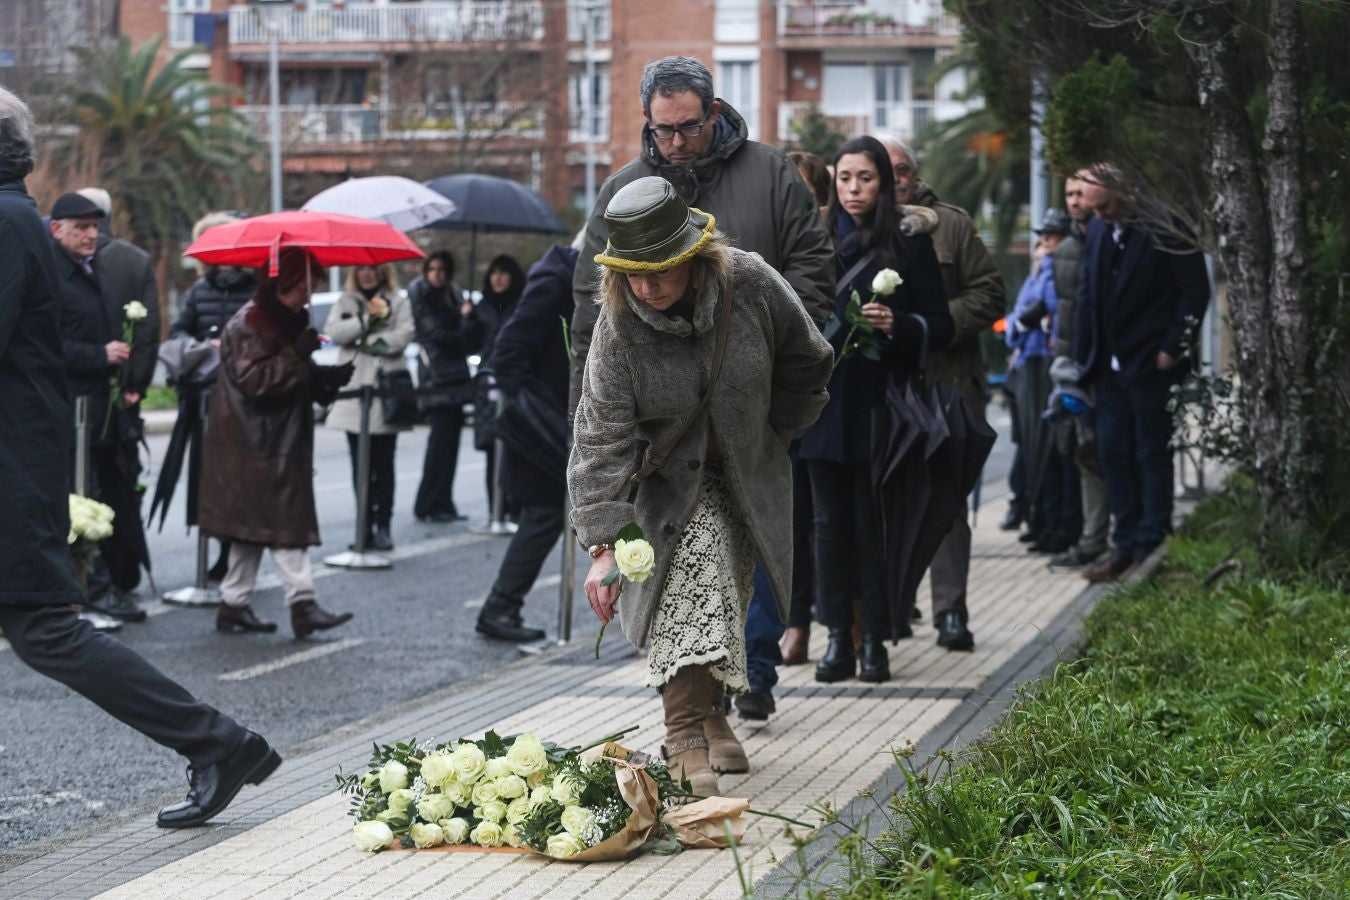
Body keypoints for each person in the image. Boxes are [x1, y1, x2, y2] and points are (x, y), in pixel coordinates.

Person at [0, 85, 280, 829]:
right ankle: (218, 743)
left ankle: (218, 742)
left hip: (12, 472)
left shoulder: (4, 221)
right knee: (45, 632)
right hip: (19, 461)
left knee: (48, 631)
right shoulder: (17, 219)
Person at [573, 55, 834, 722]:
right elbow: (592, 310)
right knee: (681, 568)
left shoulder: (768, 174)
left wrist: (768, 375)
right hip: (662, 434)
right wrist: (590, 401)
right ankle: (696, 719)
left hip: (751, 413)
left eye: (687, 126)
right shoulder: (625, 191)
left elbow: (810, 269)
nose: (676, 141)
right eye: (662, 130)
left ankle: (745, 683)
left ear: (712, 114)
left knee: (744, 557)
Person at [799, 136, 953, 684]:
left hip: (878, 406)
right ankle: (837, 636)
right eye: (844, 178)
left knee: (872, 526)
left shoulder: (908, 245)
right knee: (826, 528)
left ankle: (876, 644)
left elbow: (942, 323)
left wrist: (900, 326)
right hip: (820, 406)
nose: (853, 189)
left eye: (865, 178)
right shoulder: (813, 241)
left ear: (884, 183)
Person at [878, 135, 1006, 652]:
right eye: (881, 171)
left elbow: (991, 294)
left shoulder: (950, 223)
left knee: (947, 502)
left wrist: (929, 326)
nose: (894, 180)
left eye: (901, 169)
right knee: (883, 498)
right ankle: (892, 606)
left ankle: (951, 612)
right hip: (885, 389)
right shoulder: (856, 226)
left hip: (947, 382)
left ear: (916, 172)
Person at [201, 248, 356, 637]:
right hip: (258, 444)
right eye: (307, 284)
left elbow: (287, 372)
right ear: (287, 283)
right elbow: (257, 381)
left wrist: (324, 378)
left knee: (252, 528)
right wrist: (299, 354)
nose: (311, 292)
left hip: (266, 442)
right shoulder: (251, 322)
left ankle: (233, 604)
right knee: (286, 524)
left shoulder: (285, 319)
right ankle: (302, 603)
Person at [1073, 167, 1210, 582]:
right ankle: (1125, 542)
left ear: (1124, 192)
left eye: (1105, 206)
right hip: (1109, 366)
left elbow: (1194, 292)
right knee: (1113, 451)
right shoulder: (1098, 230)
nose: (1099, 215)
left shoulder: (1164, 223)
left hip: (1152, 362)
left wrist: (1171, 349)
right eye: (1093, 209)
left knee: (1151, 451)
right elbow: (1087, 294)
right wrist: (1083, 357)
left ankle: (1152, 542)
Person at [49, 190, 158, 623]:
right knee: (80, 497)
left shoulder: (94, 269)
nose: (90, 235)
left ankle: (102, 585)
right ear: (57, 230)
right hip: (69, 407)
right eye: (81, 228)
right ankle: (88, 591)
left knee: (99, 496)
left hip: (100, 409)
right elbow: (44, 345)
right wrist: (100, 355)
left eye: (94, 227)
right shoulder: (52, 276)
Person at [476, 242, 580, 643]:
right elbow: (508, 352)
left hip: (554, 423)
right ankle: (500, 606)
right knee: (544, 516)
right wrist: (541, 408)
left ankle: (501, 605)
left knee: (545, 517)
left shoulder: (568, 277)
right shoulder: (556, 281)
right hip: (544, 428)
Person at [171, 210, 257, 581]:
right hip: (204, 400)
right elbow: (178, 333)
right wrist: (201, 346)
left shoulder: (256, 290)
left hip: (243, 400)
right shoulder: (199, 291)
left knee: (238, 481)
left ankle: (233, 555)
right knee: (207, 480)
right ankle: (216, 547)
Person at [1005, 209, 1081, 555]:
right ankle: (1042, 519)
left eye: (1053, 236)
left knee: (1056, 447)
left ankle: (1060, 523)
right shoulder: (1039, 269)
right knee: (1034, 448)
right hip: (1030, 364)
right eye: (1043, 237)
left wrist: (1025, 324)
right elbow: (1019, 318)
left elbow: (1051, 309)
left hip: (1050, 363)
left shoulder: (1055, 267)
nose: (1046, 243)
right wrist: (1021, 327)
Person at [324, 264, 415, 552]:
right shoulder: (345, 301)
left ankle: (383, 526)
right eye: (361, 270)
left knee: (384, 465)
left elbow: (402, 337)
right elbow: (335, 333)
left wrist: (365, 343)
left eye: (373, 269)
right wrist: (367, 320)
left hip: (385, 392)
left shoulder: (399, 301)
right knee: (359, 466)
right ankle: (363, 526)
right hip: (354, 395)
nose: (367, 274)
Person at [1046, 173, 1110, 573]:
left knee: (1113, 453)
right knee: (1083, 452)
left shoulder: (1108, 242)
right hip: (1072, 367)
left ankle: (1119, 538)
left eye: (1081, 193)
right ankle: (1091, 538)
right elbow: (1065, 314)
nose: (1074, 200)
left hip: (1107, 366)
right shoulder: (1066, 249)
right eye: (1069, 193)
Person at [411, 251, 477, 523]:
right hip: (436, 378)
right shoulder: (422, 294)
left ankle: (444, 502)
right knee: (439, 443)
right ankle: (427, 503)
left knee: (450, 444)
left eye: (441, 269)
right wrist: (461, 320)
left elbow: (467, 340)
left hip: (456, 378)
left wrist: (467, 317)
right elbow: (438, 336)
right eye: (432, 269)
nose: (436, 274)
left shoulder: (456, 295)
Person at [472, 254, 526, 518]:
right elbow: (468, 342)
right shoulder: (481, 307)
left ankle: (514, 507)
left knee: (513, 445)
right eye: (493, 272)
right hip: (487, 385)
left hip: (512, 384)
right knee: (491, 447)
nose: (497, 278)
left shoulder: (522, 305)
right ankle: (495, 510)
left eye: (504, 272)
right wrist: (467, 320)